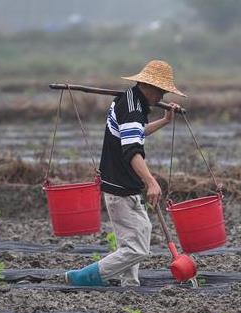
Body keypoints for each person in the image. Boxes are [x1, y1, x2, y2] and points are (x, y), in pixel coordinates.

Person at [65, 60, 185, 287]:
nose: (161, 97)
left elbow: (135, 134)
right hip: (118, 187)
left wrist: (165, 120)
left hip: (126, 184)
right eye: (160, 91)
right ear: (148, 86)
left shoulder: (132, 102)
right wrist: (151, 182)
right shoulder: (131, 109)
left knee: (142, 231)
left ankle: (130, 283)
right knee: (138, 248)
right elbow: (132, 150)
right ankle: (84, 277)